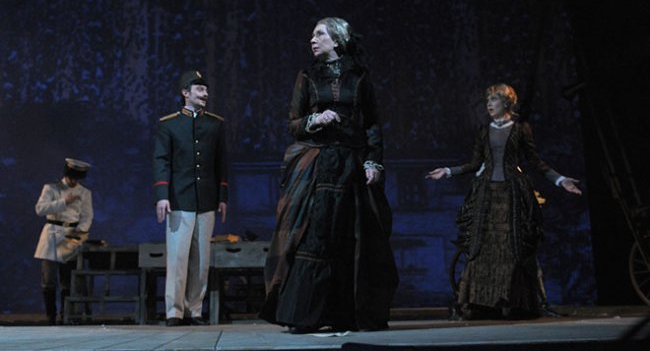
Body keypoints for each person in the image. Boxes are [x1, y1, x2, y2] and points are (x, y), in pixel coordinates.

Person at [260, 17, 399, 334]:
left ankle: (347, 314)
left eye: (319, 34)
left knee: (350, 236)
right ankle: (305, 314)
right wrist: (317, 119)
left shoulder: (359, 77)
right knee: (315, 234)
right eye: (312, 35)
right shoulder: (308, 76)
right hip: (318, 163)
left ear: (337, 40)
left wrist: (373, 162)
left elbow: (372, 124)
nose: (312, 39)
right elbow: (293, 124)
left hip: (351, 164)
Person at [427, 83, 582, 319]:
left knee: (512, 248)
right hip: (487, 194)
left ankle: (515, 302)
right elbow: (475, 163)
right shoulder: (483, 130)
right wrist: (448, 171)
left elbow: (536, 162)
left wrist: (560, 180)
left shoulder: (520, 129)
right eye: (488, 101)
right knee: (483, 249)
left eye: (494, 100)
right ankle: (483, 304)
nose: (489, 105)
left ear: (506, 103)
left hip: (512, 194)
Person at [153, 70, 228, 326]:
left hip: (206, 199)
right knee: (177, 258)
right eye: (199, 89)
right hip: (179, 198)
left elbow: (221, 163)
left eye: (206, 90)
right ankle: (174, 311)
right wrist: (162, 195)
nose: (204, 94)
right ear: (185, 93)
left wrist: (222, 196)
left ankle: (194, 310)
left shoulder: (215, 124)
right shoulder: (169, 124)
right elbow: (161, 161)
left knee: (201, 259)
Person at [34, 158, 93, 325]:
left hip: (71, 235)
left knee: (68, 280)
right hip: (52, 234)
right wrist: (63, 202)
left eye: (77, 178)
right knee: (48, 279)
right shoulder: (51, 188)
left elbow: (87, 217)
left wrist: (78, 234)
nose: (74, 181)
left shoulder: (84, 193)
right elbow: (40, 209)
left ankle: (65, 315)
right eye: (72, 178)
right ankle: (50, 316)